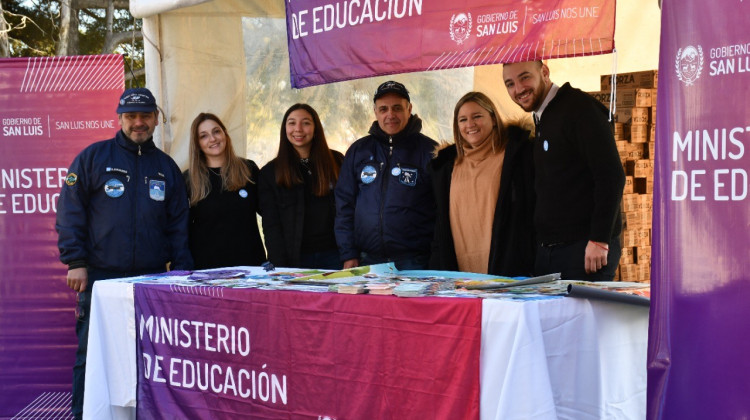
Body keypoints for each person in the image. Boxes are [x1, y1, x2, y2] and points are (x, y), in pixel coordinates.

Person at [55, 87, 193, 419]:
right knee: (91, 357)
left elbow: (178, 226)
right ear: (119, 119)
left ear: (156, 119)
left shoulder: (167, 168)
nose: (138, 123)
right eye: (131, 116)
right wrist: (76, 262)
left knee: (149, 356)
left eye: (145, 115)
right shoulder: (93, 158)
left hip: (151, 280)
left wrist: (182, 271)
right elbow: (70, 212)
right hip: (101, 278)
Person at [502, 60, 625, 280]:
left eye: (524, 77)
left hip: (584, 251)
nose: (518, 89)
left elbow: (611, 175)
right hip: (550, 252)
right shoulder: (543, 115)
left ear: (545, 72)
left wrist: (599, 239)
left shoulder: (579, 108)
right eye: (510, 84)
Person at [429, 91, 535, 276]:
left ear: (493, 119)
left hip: (508, 271)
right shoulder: (445, 165)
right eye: (462, 120)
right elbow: (440, 225)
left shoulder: (518, 154)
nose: (470, 124)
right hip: (459, 276)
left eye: (477, 116)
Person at [335, 81, 437, 270]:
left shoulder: (430, 151)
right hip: (368, 260)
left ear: (409, 109)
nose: (390, 115)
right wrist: (348, 253)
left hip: (415, 262)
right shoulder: (359, 151)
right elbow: (344, 205)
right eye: (383, 109)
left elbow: (442, 210)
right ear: (375, 112)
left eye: (397, 108)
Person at [259, 104, 343, 269]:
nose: (298, 129)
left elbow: (349, 210)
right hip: (295, 260)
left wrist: (350, 254)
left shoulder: (337, 161)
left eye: (305, 123)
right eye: (291, 123)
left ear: (315, 127)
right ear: (284, 128)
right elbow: (271, 225)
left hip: (335, 256)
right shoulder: (270, 172)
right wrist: (280, 266)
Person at [184, 112, 266, 269]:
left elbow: (269, 214)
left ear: (225, 134)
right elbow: (182, 229)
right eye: (204, 136)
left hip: (250, 268)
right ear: (197, 144)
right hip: (207, 271)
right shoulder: (189, 179)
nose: (213, 139)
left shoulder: (248, 169)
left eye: (216, 131)